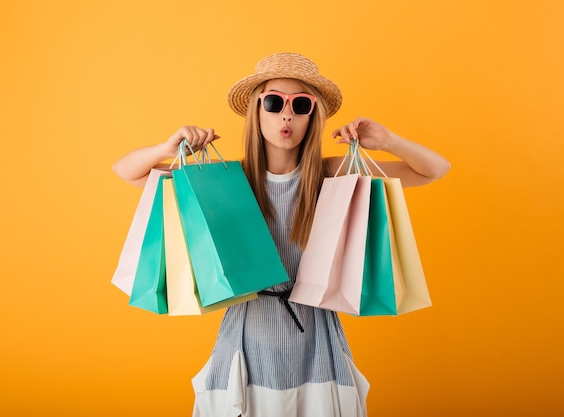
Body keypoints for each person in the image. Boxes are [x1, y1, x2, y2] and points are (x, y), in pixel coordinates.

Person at [113, 52, 450, 417]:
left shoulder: (332, 176)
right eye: (273, 102)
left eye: (300, 104)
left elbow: (433, 170)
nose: (286, 115)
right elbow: (128, 171)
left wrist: (387, 140)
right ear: (257, 112)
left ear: (312, 116)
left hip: (317, 343)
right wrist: (168, 148)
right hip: (245, 341)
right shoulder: (226, 179)